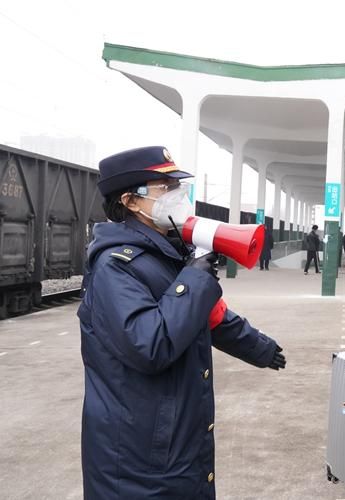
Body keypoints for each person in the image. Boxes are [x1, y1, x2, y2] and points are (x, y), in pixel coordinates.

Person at [77, 146, 287, 499]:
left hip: (172, 443)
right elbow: (149, 344)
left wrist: (259, 347)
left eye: (177, 186)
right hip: (137, 457)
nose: (177, 195)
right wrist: (194, 280)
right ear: (131, 201)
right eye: (165, 187)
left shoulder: (165, 253)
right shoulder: (115, 267)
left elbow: (211, 316)